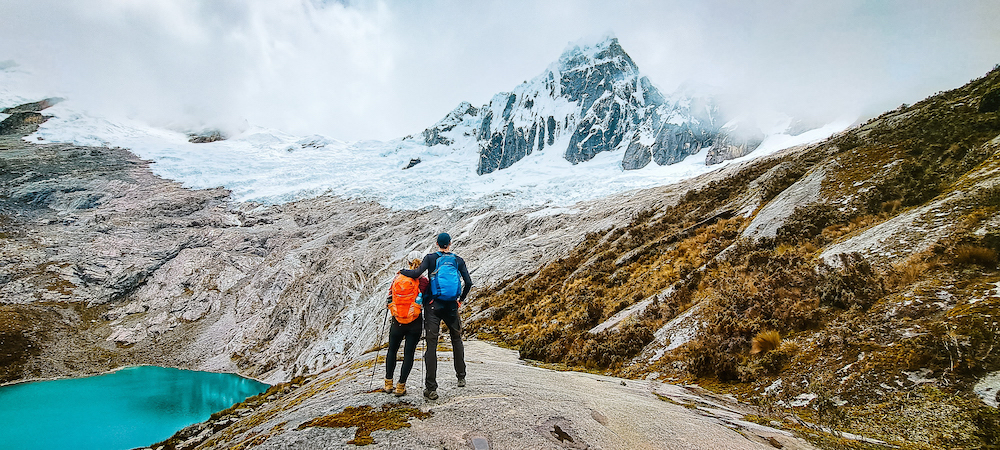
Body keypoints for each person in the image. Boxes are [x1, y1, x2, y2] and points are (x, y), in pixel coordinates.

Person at [399, 232, 472, 400]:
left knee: (431, 345)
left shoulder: (431, 258)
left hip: (433, 306)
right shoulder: (458, 260)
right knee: (456, 340)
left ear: (437, 243)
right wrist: (460, 300)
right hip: (452, 306)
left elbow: (416, 273)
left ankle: (431, 389)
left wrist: (402, 271)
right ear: (450, 243)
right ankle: (461, 377)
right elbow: (468, 282)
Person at [383, 252, 427, 397]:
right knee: (409, 354)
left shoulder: (398, 278)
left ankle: (388, 383)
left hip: (397, 322)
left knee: (392, 351)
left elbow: (389, 297)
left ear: (408, 262)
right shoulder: (423, 281)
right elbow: (427, 300)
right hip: (414, 322)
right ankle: (400, 387)